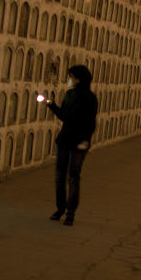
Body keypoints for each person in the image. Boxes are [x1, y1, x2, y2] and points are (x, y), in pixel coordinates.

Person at [46, 64, 98, 226]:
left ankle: (70, 212)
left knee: (73, 176)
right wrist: (51, 104)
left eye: (70, 76)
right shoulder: (69, 95)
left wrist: (86, 140)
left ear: (78, 79)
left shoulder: (90, 98)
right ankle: (60, 208)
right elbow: (64, 116)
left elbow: (91, 122)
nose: (68, 79)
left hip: (79, 142)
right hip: (65, 139)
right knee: (59, 176)